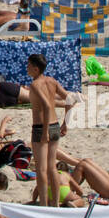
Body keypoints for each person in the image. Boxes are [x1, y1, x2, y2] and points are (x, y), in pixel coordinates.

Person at [27, 53, 66, 207]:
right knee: (52, 168)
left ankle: (43, 205)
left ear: (36, 69)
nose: (27, 68)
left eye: (29, 65)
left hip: (40, 128)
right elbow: (69, 99)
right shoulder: (52, 81)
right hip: (55, 125)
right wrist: (65, 123)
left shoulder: (35, 84)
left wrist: (44, 133)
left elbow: (47, 106)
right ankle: (55, 204)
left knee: (41, 169)